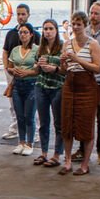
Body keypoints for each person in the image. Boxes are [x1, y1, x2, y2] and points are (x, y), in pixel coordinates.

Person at [59, 11, 100, 175]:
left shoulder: (93, 44)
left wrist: (78, 60)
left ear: (85, 26)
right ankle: (68, 161)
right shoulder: (67, 44)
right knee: (67, 123)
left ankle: (85, 164)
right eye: (73, 24)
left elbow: (98, 68)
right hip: (70, 84)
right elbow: (64, 70)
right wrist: (63, 63)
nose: (76, 27)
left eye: (79, 24)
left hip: (87, 87)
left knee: (86, 124)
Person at [72, 1, 100, 165]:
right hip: (86, 81)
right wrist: (87, 56)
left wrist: (83, 56)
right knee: (84, 117)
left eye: (97, 13)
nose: (93, 16)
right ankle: (82, 150)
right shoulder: (85, 31)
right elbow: (76, 50)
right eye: (91, 12)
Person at [2, 4, 39, 141]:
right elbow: (5, 51)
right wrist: (7, 68)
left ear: (28, 14)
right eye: (18, 14)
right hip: (13, 71)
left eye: (23, 14)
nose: (20, 17)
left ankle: (33, 133)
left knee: (31, 107)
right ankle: (15, 129)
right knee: (14, 103)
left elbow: (40, 55)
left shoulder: (36, 34)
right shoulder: (11, 34)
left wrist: (31, 71)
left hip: (30, 76)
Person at [33, 18, 65, 167]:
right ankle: (44, 153)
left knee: (59, 122)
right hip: (41, 85)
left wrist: (54, 66)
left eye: (51, 29)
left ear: (56, 30)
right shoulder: (40, 48)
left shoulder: (63, 46)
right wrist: (38, 65)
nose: (48, 32)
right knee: (43, 121)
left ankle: (57, 154)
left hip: (57, 86)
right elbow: (35, 66)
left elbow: (65, 67)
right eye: (45, 29)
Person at [8, 23, 39, 156]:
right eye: (21, 32)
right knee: (19, 116)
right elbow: (9, 66)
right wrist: (12, 70)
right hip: (17, 84)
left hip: (31, 84)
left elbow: (39, 70)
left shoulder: (37, 49)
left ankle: (29, 143)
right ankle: (21, 142)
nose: (23, 35)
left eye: (26, 32)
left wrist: (28, 73)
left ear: (31, 34)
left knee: (29, 116)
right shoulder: (15, 50)